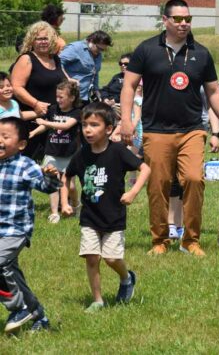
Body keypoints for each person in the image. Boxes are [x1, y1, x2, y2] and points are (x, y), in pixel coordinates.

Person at [119, 0, 219, 257]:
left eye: (188, 19)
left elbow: (214, 91)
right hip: (156, 130)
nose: (184, 24)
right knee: (158, 184)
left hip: (192, 129)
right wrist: (126, 120)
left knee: (194, 179)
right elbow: (128, 86)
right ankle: (160, 240)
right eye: (178, 19)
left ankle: (190, 240)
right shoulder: (146, 49)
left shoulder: (201, 53)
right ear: (165, 20)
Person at [60, 103, 150, 313]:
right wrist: (65, 202)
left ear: (109, 129)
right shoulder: (82, 155)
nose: (88, 130)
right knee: (92, 257)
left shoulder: (118, 151)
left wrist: (133, 192)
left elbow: (145, 168)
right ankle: (98, 300)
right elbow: (66, 176)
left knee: (111, 258)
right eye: (84, 125)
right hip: (90, 217)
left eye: (94, 125)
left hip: (113, 216)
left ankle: (127, 278)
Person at [0, 117, 60, 333]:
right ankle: (38, 316)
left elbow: (46, 187)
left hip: (16, 230)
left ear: (21, 144)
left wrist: (50, 176)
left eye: (5, 137)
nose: (0, 140)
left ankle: (18, 308)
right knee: (12, 273)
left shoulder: (25, 165)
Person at [11, 21, 69, 160]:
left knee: (52, 162)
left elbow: (64, 79)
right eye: (39, 38)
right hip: (33, 120)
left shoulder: (55, 58)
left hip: (54, 119)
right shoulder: (27, 59)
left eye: (46, 38)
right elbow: (16, 87)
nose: (43, 42)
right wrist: (35, 104)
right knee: (30, 159)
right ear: (32, 40)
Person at [29, 81, 82, 223]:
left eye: (61, 97)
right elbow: (45, 127)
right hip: (52, 152)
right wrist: (34, 132)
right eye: (57, 97)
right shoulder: (53, 109)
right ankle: (54, 213)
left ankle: (76, 205)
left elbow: (65, 126)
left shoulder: (77, 112)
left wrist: (45, 123)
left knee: (70, 185)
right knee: (53, 182)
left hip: (69, 154)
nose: (58, 100)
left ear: (71, 98)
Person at [60, 30, 113, 105]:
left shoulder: (98, 54)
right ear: (91, 41)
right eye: (99, 48)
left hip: (85, 97)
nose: (100, 52)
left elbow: (95, 72)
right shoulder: (75, 48)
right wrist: (67, 79)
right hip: (69, 96)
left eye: (103, 50)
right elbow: (58, 63)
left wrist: (96, 90)